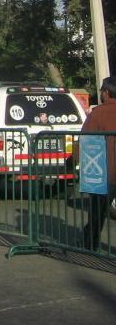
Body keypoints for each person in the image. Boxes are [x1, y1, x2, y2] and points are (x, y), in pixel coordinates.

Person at [81, 76, 116, 251]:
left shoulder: (98, 113)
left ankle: (90, 245)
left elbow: (86, 141)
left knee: (97, 212)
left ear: (106, 93)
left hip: (103, 172)